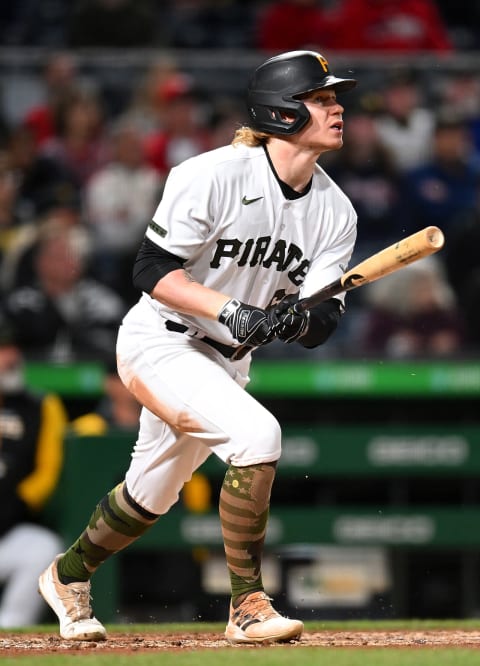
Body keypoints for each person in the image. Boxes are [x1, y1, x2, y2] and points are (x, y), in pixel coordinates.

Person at [38, 50, 358, 644]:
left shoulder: (335, 210)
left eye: (334, 97)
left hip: (226, 361)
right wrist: (233, 310)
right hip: (162, 340)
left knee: (149, 494)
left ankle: (67, 575)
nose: (337, 107)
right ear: (283, 112)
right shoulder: (212, 173)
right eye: (322, 99)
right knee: (259, 436)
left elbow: (323, 322)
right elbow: (152, 269)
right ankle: (247, 605)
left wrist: (296, 320)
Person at [0, 315, 67, 627]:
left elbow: (48, 469)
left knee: (43, 547)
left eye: (12, 348)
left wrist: (19, 502)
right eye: (3, 349)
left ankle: (11, 630)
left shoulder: (40, 405)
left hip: (8, 527)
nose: (10, 357)